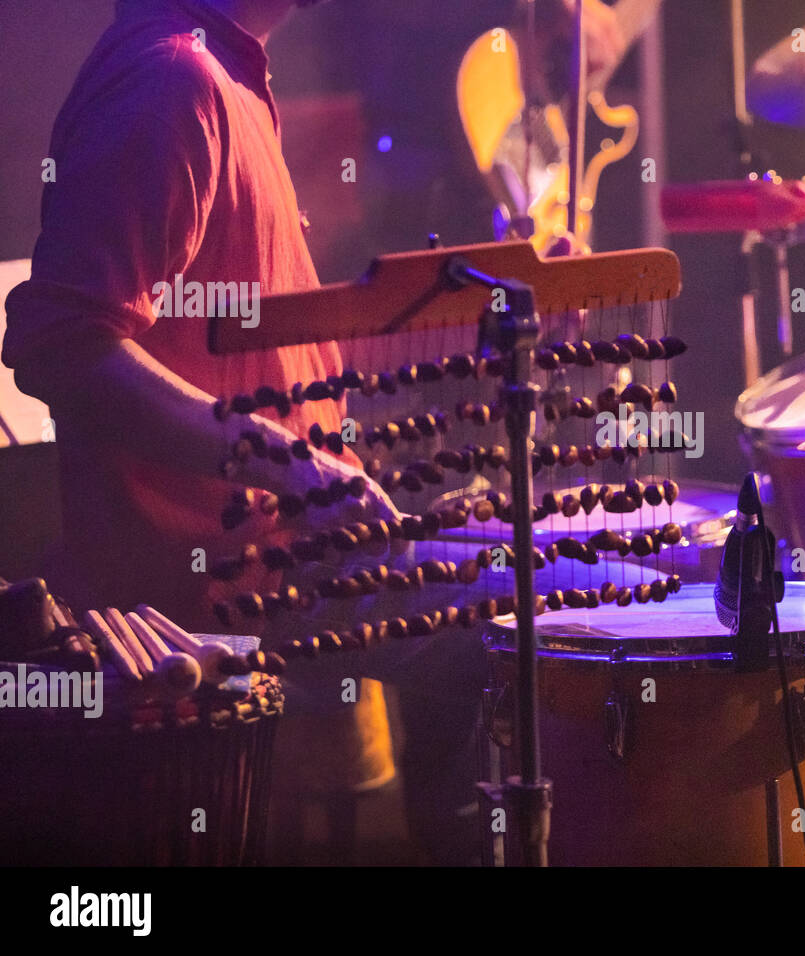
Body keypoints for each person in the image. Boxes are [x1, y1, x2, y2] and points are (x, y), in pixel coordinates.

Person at [3, 0, 634, 865]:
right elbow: (60, 348)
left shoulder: (222, 73)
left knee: (582, 574)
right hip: (235, 577)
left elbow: (268, 356)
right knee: (583, 601)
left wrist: (499, 313)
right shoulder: (172, 79)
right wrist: (291, 465)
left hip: (285, 547)